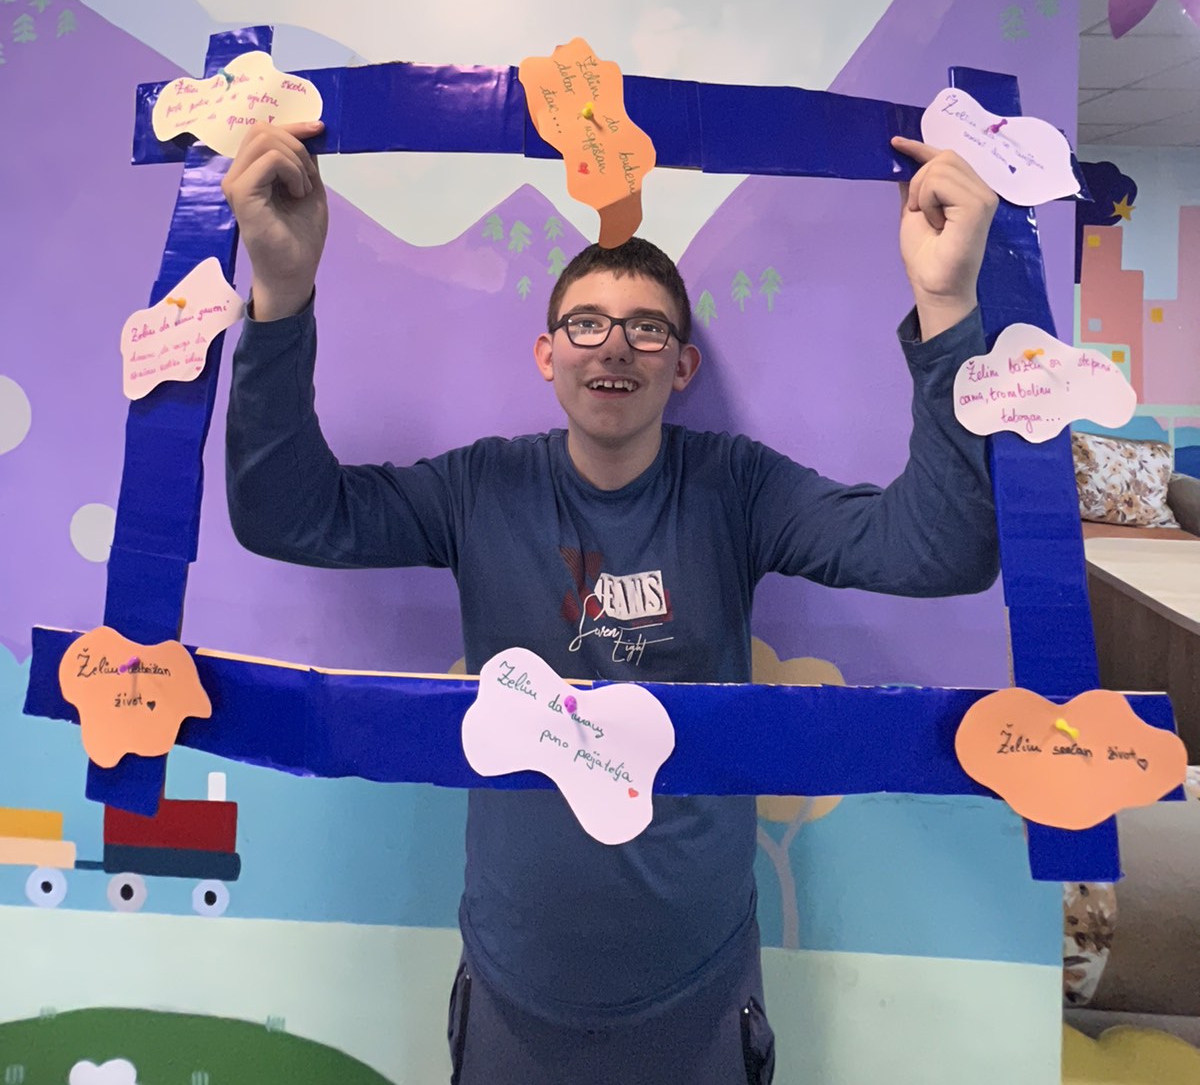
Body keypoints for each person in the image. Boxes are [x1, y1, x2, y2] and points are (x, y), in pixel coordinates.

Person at [223, 119, 1000, 1085]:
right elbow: (287, 516)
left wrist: (947, 305)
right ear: (546, 354)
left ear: (682, 366)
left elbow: (940, 550)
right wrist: (282, 292)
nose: (615, 347)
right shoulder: (481, 490)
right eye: (586, 324)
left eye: (648, 328)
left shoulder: (737, 489)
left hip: (697, 985)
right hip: (516, 986)